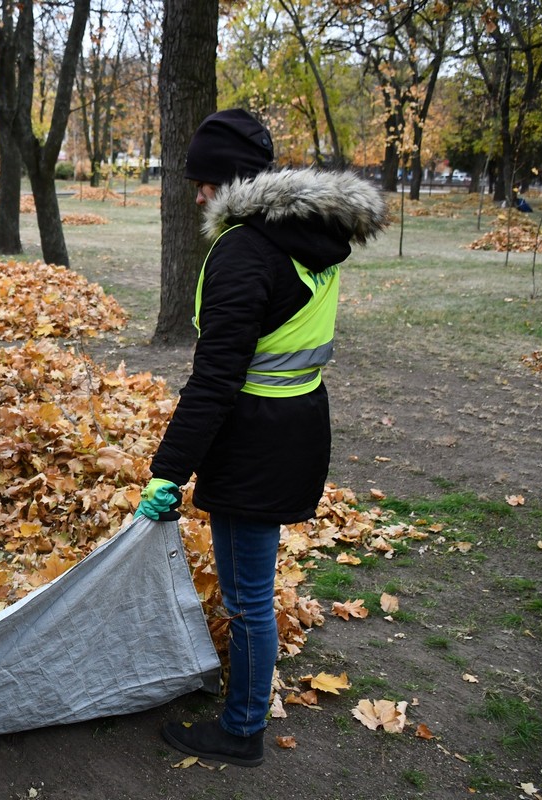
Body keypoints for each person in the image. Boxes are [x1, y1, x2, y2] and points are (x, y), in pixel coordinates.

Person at [137, 109, 387, 766]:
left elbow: (215, 379)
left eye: (203, 181)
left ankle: (242, 728)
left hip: (257, 443)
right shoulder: (309, 232)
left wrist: (169, 470)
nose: (196, 193)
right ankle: (243, 706)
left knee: (247, 600)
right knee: (252, 586)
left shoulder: (245, 252)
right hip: (296, 429)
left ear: (229, 182)